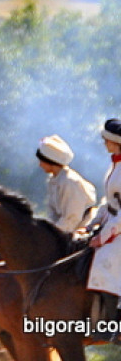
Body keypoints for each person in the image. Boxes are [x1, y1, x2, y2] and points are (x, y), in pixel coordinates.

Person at [86, 119, 121, 326]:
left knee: (105, 259)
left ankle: (113, 322)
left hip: (119, 228)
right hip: (114, 224)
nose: (104, 143)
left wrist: (103, 236)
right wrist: (92, 224)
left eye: (106, 139)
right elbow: (110, 203)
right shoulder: (115, 164)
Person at [37, 134, 96, 234]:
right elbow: (53, 213)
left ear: (50, 161)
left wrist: (54, 234)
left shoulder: (71, 182)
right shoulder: (53, 180)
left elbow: (72, 218)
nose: (40, 164)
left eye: (42, 161)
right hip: (65, 229)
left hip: (84, 229)